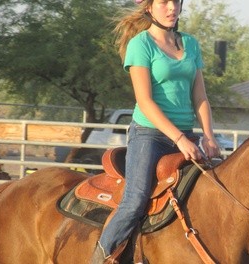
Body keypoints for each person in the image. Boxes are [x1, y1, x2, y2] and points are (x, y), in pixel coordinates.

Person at [91, 0, 220, 262]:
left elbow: (200, 97)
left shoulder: (191, 44)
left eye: (176, 2)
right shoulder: (141, 44)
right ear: (149, 8)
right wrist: (180, 138)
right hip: (149, 134)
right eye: (164, 2)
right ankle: (98, 258)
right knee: (136, 200)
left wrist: (208, 135)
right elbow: (145, 102)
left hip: (186, 135)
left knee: (215, 190)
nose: (172, 8)